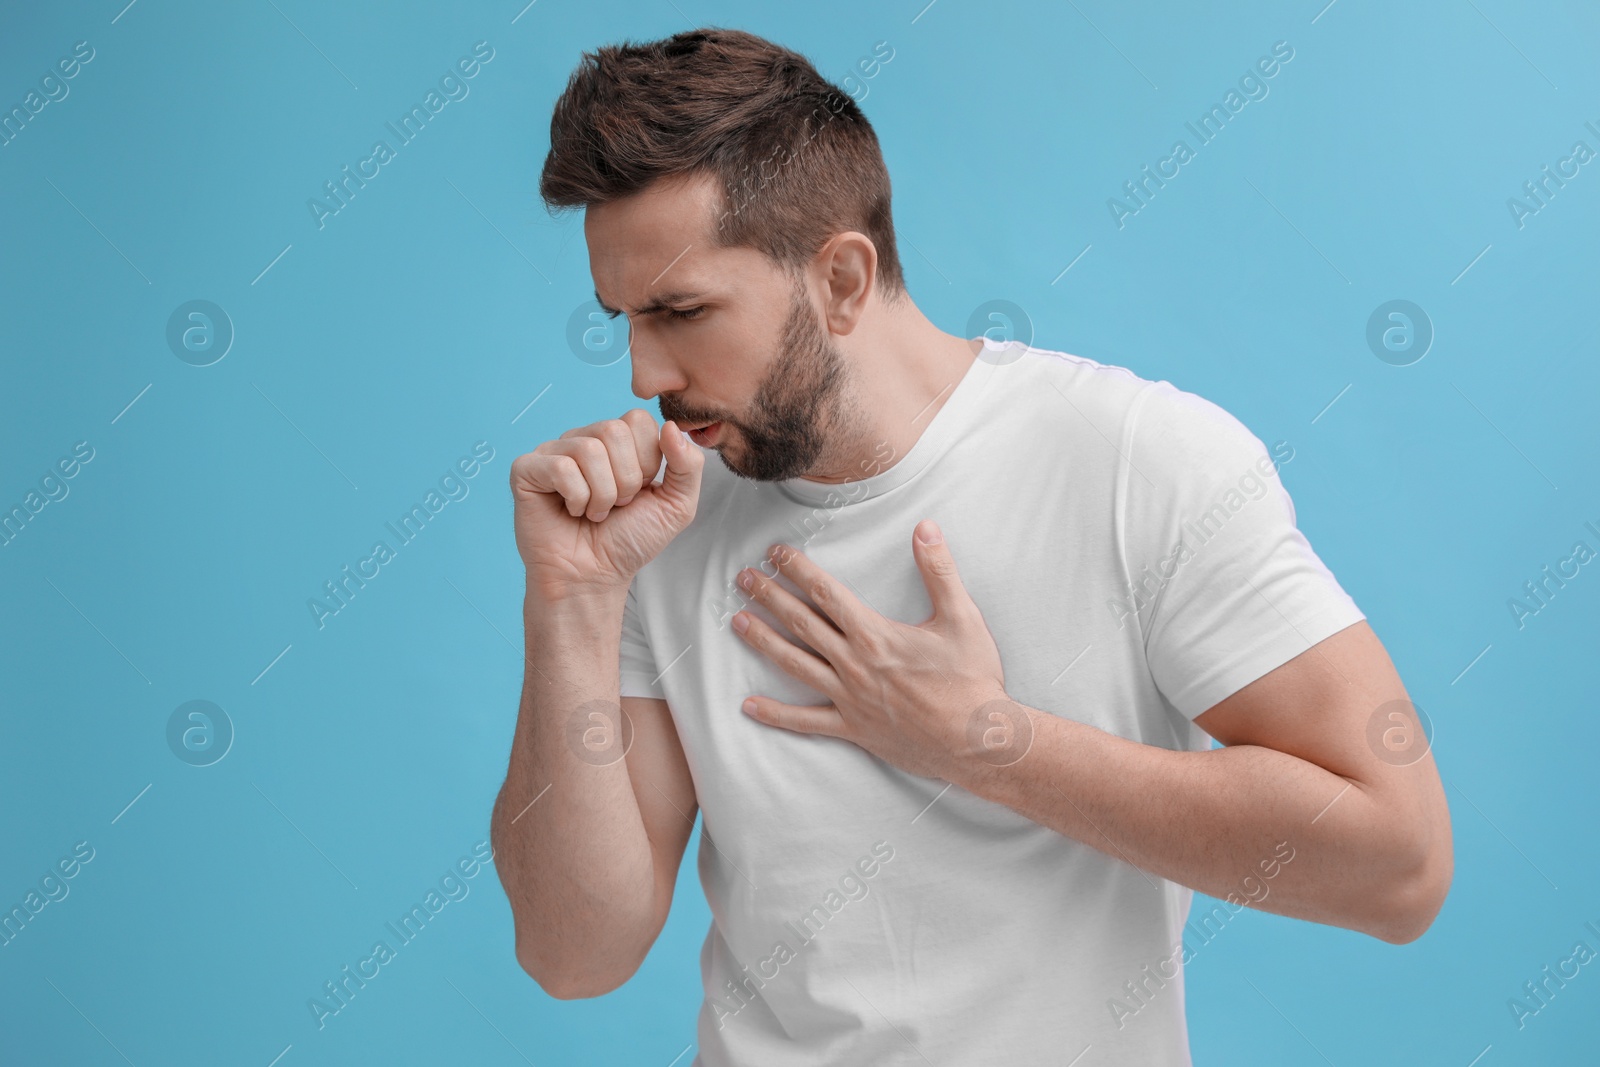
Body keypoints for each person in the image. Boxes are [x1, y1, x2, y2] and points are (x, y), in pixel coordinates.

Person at [490, 27, 1452, 1067]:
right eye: (624, 318)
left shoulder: (1137, 460)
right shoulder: (662, 524)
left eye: (681, 311)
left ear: (843, 281)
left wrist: (989, 741)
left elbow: (1397, 864)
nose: (641, 374)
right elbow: (572, 952)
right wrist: (573, 598)